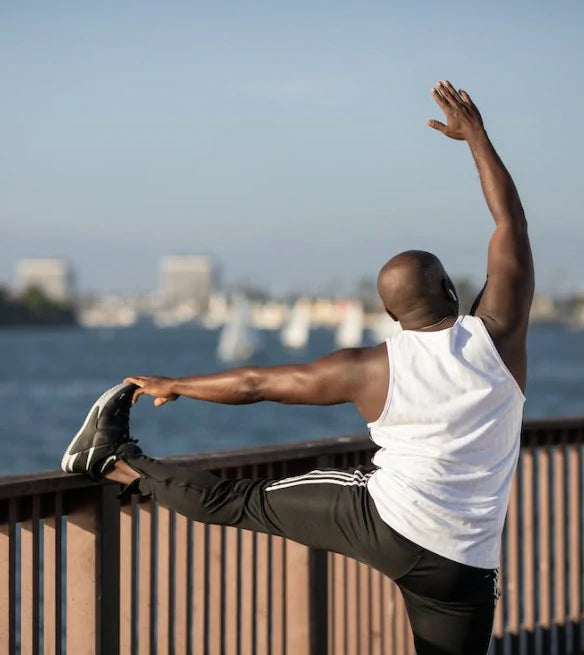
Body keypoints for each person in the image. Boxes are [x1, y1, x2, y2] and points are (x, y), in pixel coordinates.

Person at [61, 79, 533, 655]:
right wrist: (476, 137)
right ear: (451, 289)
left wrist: (176, 385)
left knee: (240, 502)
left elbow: (259, 383)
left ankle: (111, 459)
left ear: (389, 312)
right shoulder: (500, 339)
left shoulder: (369, 368)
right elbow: (509, 223)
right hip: (466, 562)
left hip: (386, 522)